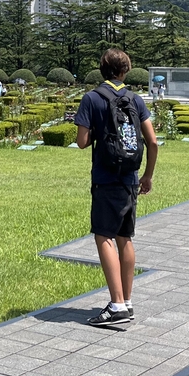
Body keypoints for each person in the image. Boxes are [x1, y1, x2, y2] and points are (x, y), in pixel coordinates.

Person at [75, 48, 158, 327]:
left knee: (104, 236)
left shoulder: (92, 98)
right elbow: (153, 142)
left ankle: (116, 304)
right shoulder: (135, 99)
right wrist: (147, 176)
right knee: (125, 237)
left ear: (102, 70)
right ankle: (128, 301)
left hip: (105, 177)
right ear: (126, 70)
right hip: (131, 178)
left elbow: (82, 141)